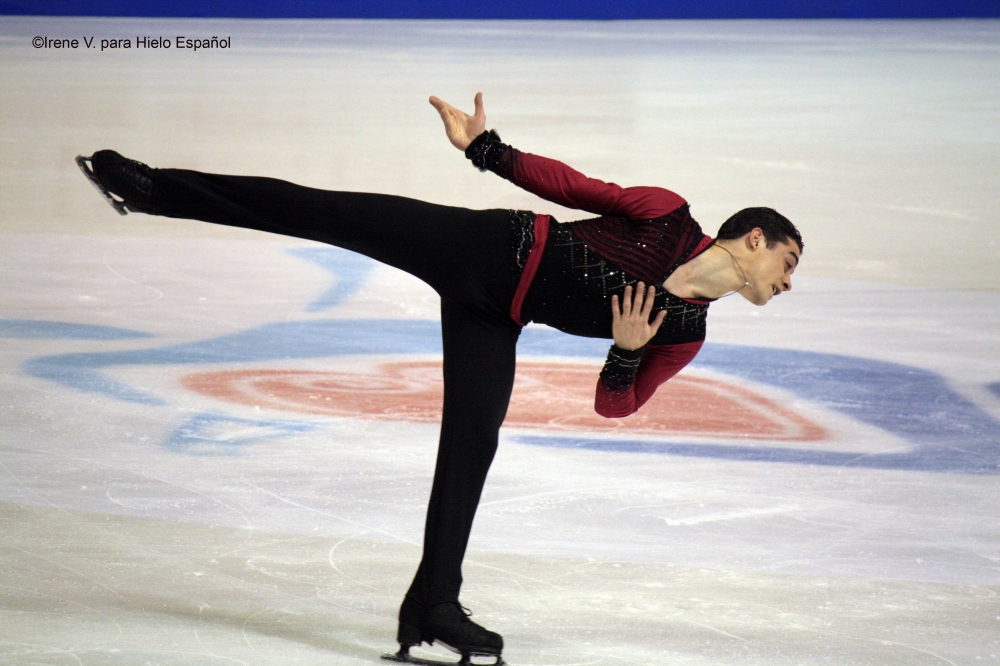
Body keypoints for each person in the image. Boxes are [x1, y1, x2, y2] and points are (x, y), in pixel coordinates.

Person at [77, 93, 802, 665]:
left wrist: (622, 351)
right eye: (788, 262)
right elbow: (579, 186)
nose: (788, 282)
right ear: (755, 240)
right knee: (325, 211)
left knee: (471, 449)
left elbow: (618, 404)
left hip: (494, 318)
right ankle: (151, 189)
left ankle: (432, 607)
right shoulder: (668, 217)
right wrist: (486, 150)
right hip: (486, 245)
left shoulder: (683, 332)